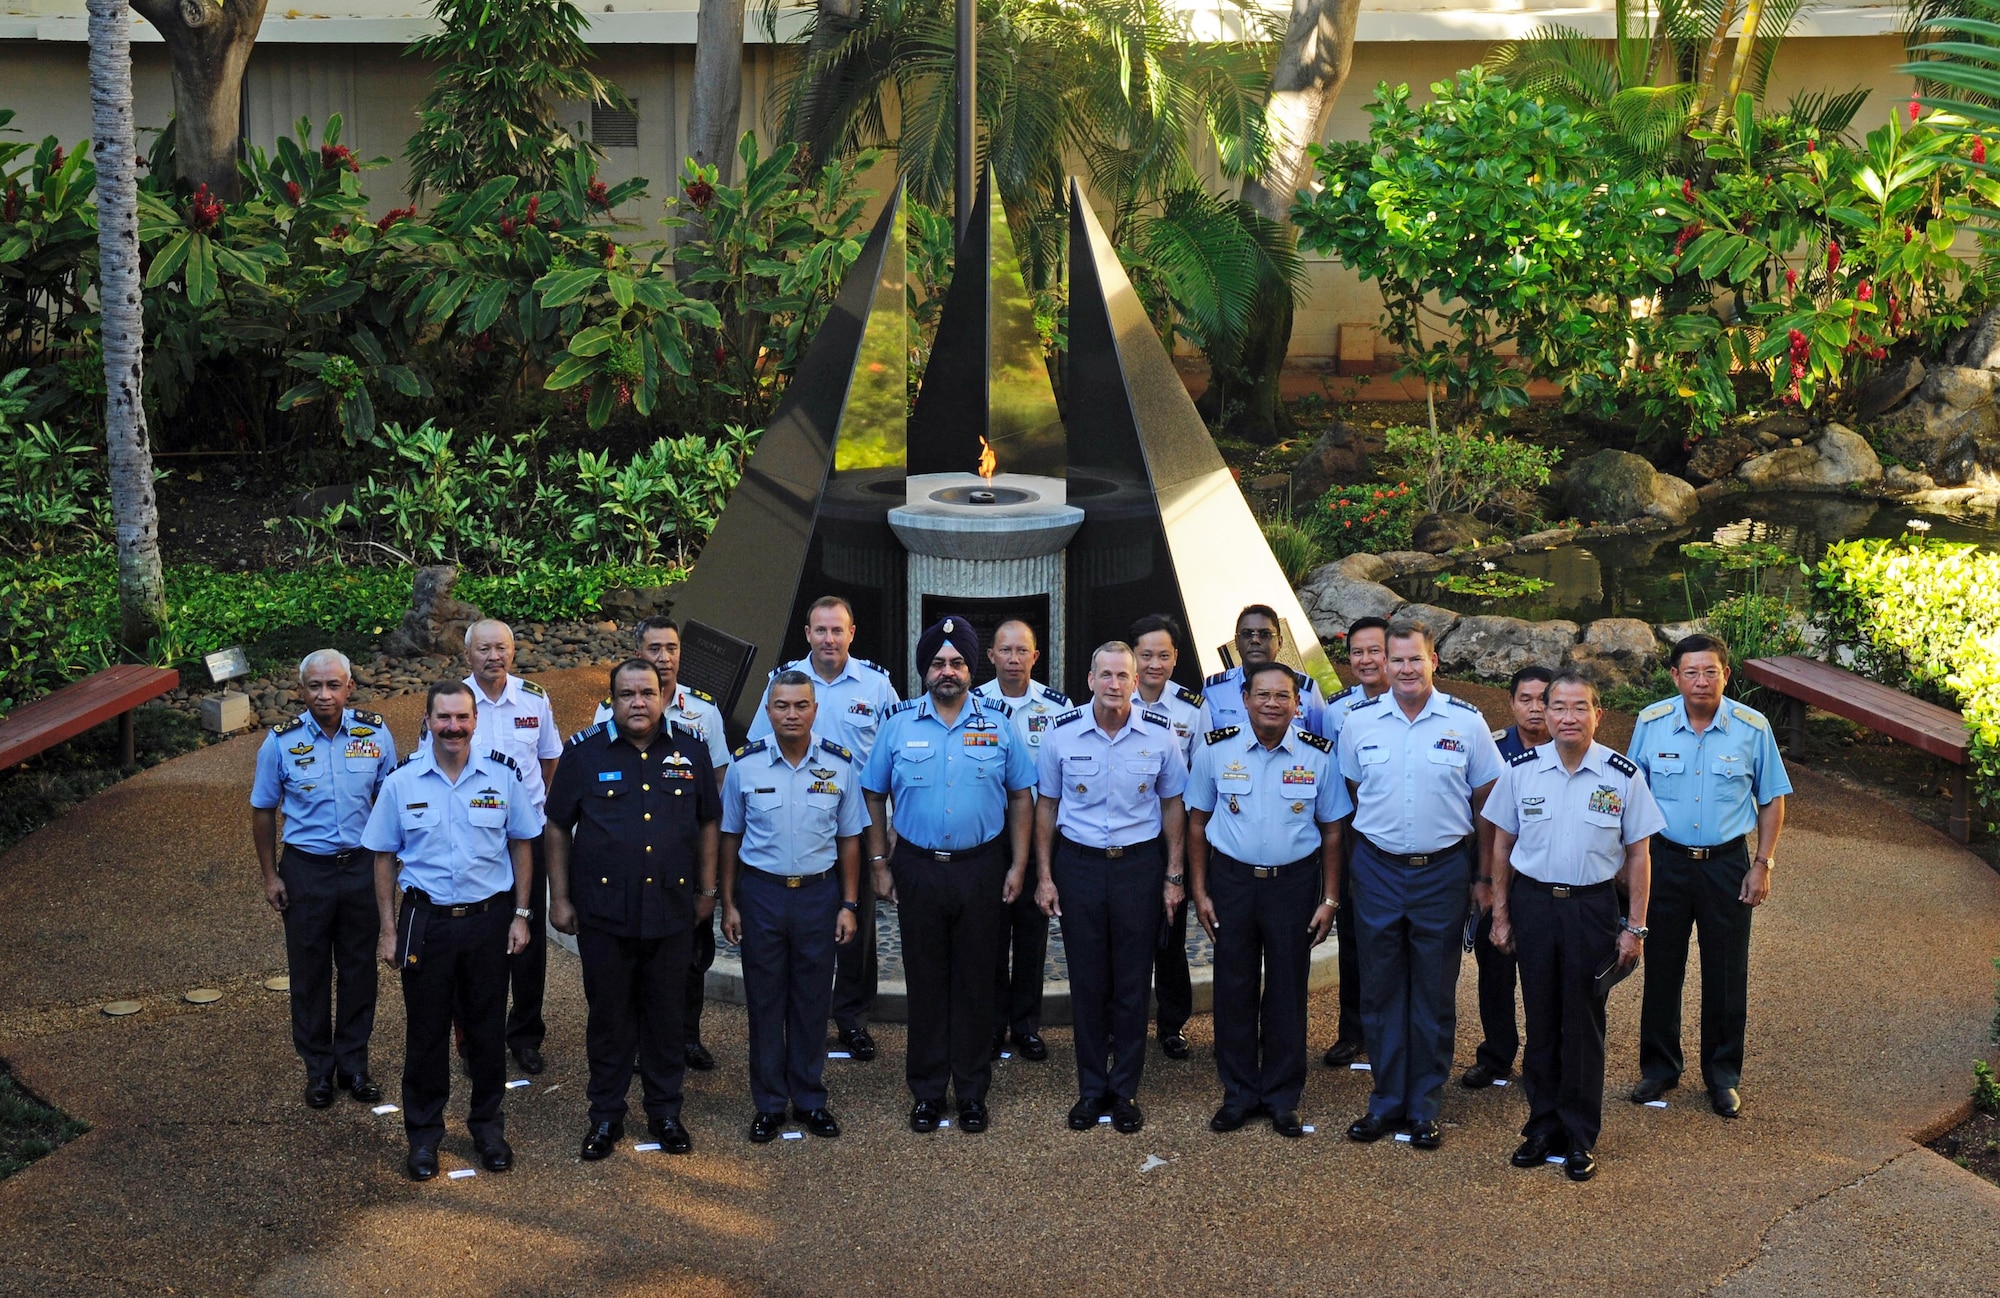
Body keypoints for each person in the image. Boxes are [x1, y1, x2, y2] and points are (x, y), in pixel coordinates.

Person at [1483, 671, 1662, 1182]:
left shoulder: (1621, 775)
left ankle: (1580, 1135)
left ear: (1597, 715)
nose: (1566, 716)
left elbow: (1639, 856)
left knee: (1583, 1023)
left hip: (1591, 909)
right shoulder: (1521, 770)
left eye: (1579, 707)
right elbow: (1501, 844)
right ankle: (1542, 1127)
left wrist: (1636, 927)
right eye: (1557, 706)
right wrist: (1500, 911)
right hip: (1535, 905)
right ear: (1546, 712)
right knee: (1540, 1019)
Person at [863, 616, 1035, 1133]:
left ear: (969, 668)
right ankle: (928, 1091)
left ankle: (973, 1091)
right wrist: (878, 862)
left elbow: (1022, 795)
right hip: (917, 868)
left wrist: (1019, 865)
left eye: (957, 662)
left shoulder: (999, 723)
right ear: (925, 671)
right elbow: (872, 794)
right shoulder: (898, 724)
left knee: (977, 982)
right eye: (938, 663)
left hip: (981, 868)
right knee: (926, 980)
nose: (948, 671)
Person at [545, 659, 720, 1160]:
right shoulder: (583, 752)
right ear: (613, 699)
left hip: (670, 911)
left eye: (647, 693)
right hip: (605, 915)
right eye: (627, 694)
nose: (638, 703)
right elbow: (557, 825)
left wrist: (707, 891)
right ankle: (605, 1117)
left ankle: (665, 1113)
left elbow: (710, 821)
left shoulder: (691, 748)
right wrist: (560, 897)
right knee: (609, 1018)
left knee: (666, 1019)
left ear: (663, 696)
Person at [1337, 619, 1503, 1149]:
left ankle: (1424, 1106)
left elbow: (1486, 807)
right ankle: (1385, 1102)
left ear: (1435, 662)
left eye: (1416, 659)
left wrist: (1482, 877)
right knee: (1381, 990)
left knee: (1432, 992)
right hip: (1379, 869)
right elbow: (1353, 793)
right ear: (1383, 664)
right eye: (1397, 660)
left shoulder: (1467, 722)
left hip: (1443, 871)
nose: (1406, 669)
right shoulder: (1358, 723)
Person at [364, 681, 538, 1181]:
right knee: (425, 1034)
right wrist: (387, 930)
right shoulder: (401, 782)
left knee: (486, 1031)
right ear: (428, 720)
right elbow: (381, 855)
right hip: (427, 921)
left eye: (462, 718)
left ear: (475, 721)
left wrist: (522, 915)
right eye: (444, 718)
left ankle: (488, 1129)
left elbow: (523, 843)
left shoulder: (501, 778)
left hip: (487, 920)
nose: (454, 727)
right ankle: (423, 1138)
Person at [1625, 634, 1791, 1119]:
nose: (1701, 681)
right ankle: (1659, 1068)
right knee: (1662, 968)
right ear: (1675, 677)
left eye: (1711, 672)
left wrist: (1762, 863)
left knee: (1725, 972)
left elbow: (1772, 797)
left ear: (1726, 675)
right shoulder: (1651, 724)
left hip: (1726, 865)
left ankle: (1722, 1076)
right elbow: (1632, 794)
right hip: (1666, 861)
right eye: (1691, 672)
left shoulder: (1750, 727)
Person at [1186, 662, 1348, 1138]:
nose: (1272, 703)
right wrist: (1199, 890)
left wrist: (1331, 898)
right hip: (1232, 883)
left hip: (1294, 886)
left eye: (1283, 696)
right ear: (1245, 699)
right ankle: (1238, 1094)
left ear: (1298, 704)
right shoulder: (1216, 750)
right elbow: (1196, 822)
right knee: (1232, 988)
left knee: (1286, 990)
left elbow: (1333, 831)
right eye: (1263, 695)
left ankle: (1281, 1096)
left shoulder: (1319, 756)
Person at [1035, 643, 1189, 1135]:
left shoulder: (1161, 737)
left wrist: (1174, 874)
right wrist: (1044, 875)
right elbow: (1045, 808)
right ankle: (1090, 1089)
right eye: (1107, 675)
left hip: (1138, 868)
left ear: (1134, 678)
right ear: (1090, 678)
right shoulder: (1060, 735)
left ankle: (1123, 1090)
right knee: (1087, 981)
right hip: (1078, 866)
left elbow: (1172, 807)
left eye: (1124, 675)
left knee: (1131, 982)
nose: (1116, 684)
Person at [747, 596, 902, 1061]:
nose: (829, 639)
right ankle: (799, 1020)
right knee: (801, 928)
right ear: (807, 634)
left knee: (856, 925)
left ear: (852, 634)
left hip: (859, 826)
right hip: (799, 822)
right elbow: (757, 747)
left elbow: (895, 754)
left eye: (837, 631)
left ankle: (853, 1019)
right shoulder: (784, 682)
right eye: (820, 630)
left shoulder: (876, 686)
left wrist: (894, 824)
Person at [719, 671, 867, 1141]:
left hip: (818, 896)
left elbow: (849, 840)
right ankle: (768, 1103)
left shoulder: (840, 765)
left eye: (801, 705)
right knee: (764, 1001)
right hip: (761, 895)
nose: (791, 714)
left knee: (811, 1000)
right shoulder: (746, 765)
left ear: (814, 709)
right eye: (782, 706)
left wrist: (848, 903)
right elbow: (729, 838)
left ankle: (808, 1098)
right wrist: (729, 902)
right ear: (768, 710)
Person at [250, 649, 398, 1108]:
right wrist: (271, 875)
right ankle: (318, 1069)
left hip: (360, 868)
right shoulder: (279, 742)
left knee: (358, 970)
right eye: (314, 686)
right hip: (306, 870)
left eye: (333, 685)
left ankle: (354, 1065)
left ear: (349, 687)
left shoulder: (375, 734)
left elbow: (391, 801)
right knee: (309, 973)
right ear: (301, 690)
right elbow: (262, 810)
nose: (324, 694)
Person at [422, 619, 562, 1075]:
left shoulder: (535, 699)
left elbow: (548, 759)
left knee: (528, 936)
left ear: (513, 651)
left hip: (526, 837)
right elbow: (432, 764)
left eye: (501, 648)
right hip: (473, 840)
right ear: (468, 655)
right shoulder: (453, 704)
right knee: (474, 939)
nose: (493, 656)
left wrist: (525, 813)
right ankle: (472, 1040)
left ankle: (524, 1034)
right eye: (483, 649)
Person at [592, 616, 731, 1072]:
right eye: (654, 649)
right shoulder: (608, 709)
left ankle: (686, 1036)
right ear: (638, 652)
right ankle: (631, 1043)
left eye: (671, 648)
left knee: (689, 956)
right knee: (633, 956)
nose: (664, 657)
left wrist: (710, 879)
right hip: (632, 858)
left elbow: (716, 787)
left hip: (683, 855)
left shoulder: (704, 712)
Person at [972, 619, 1070, 1062]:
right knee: (989, 935)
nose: (1013, 659)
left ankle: (1026, 1025)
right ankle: (991, 1025)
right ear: (990, 656)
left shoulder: (1058, 707)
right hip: (990, 838)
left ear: (1035, 656)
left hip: (1039, 841)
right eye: (1005, 651)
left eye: (1022, 651)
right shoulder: (973, 704)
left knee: (1032, 935)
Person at [1462, 665, 1555, 1090]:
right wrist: (1481, 878)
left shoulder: (1574, 747)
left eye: (1544, 699)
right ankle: (1496, 1055)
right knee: (1495, 972)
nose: (1535, 709)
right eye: (1525, 699)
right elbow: (1474, 815)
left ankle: (1543, 1060)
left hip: (1546, 883)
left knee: (1544, 976)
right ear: (1511, 702)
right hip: (1494, 878)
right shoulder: (1491, 748)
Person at [1129, 613, 1205, 1061]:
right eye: (1146, 654)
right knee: (1127, 931)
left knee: (1172, 934)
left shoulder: (1192, 709)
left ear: (1176, 658)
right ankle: (1126, 1021)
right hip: (1129, 835)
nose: (1154, 663)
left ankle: (1172, 1024)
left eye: (1163, 655)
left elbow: (1197, 779)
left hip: (1172, 834)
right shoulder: (1113, 695)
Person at [1320, 614, 1391, 1069]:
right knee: (1353, 940)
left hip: (1400, 845)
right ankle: (1353, 1030)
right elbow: (1331, 785)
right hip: (1353, 841)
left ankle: (1393, 1032)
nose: (1365, 660)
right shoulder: (1336, 711)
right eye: (1357, 653)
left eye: (1374, 651)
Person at [1197, 604, 1328, 738]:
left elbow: (1321, 747)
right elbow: (1204, 746)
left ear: (1280, 642)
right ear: (1236, 642)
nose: (1255, 640)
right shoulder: (1214, 690)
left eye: (1265, 634)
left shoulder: (1306, 690)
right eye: (1247, 634)